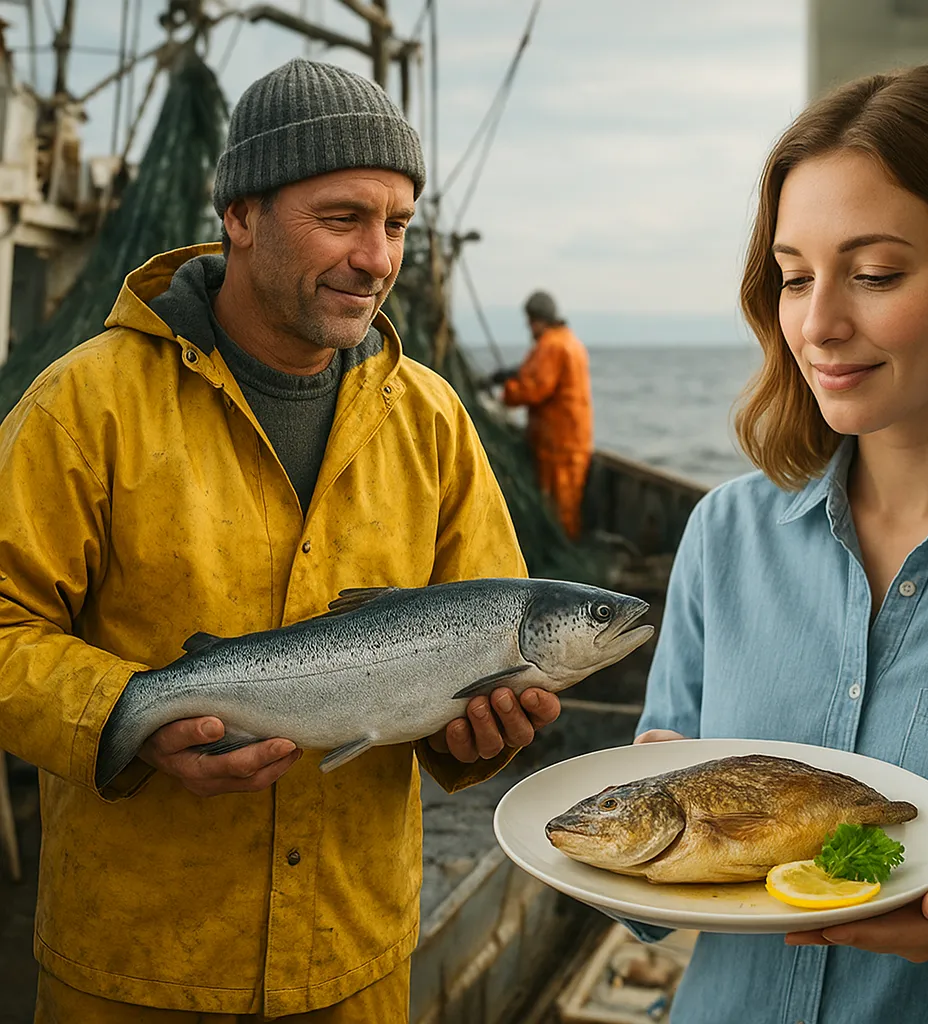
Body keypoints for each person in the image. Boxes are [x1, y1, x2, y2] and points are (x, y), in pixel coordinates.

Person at [0, 59, 561, 1022]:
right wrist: (126, 716)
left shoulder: (431, 420)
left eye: (397, 225)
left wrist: (480, 738)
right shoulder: (85, 406)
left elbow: (489, 641)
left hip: (357, 965)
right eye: (342, 218)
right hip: (135, 973)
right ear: (241, 216)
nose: (377, 258)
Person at [629, 64, 928, 1021]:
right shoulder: (725, 535)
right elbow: (645, 896)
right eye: (795, 277)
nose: (818, 325)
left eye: (875, 274)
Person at [490, 291, 593, 540]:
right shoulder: (569, 341)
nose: (528, 327)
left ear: (538, 319)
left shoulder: (552, 345)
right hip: (571, 440)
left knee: (561, 509)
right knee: (564, 504)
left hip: (560, 444)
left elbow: (534, 388)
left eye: (530, 320)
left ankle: (564, 550)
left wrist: (506, 392)